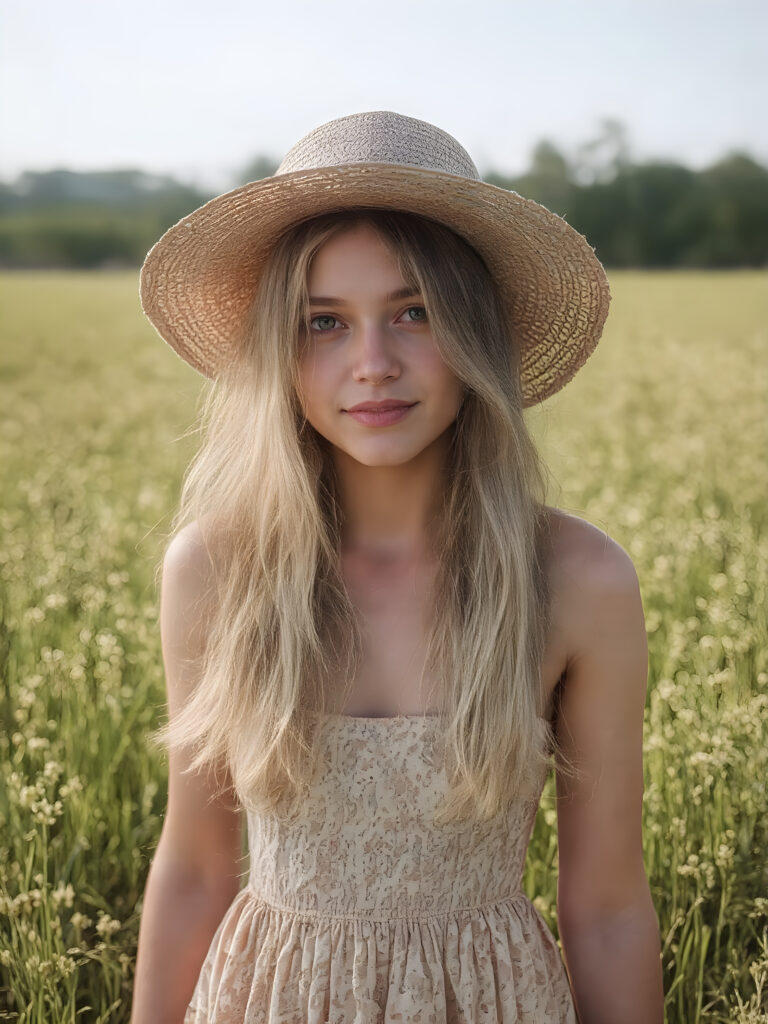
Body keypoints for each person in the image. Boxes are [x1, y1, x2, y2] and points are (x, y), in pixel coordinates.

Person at [130, 111, 664, 1023]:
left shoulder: (579, 581)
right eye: (325, 323)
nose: (372, 364)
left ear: (475, 335)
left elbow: (607, 909)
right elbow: (194, 867)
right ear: (281, 356)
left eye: (413, 313)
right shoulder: (216, 569)